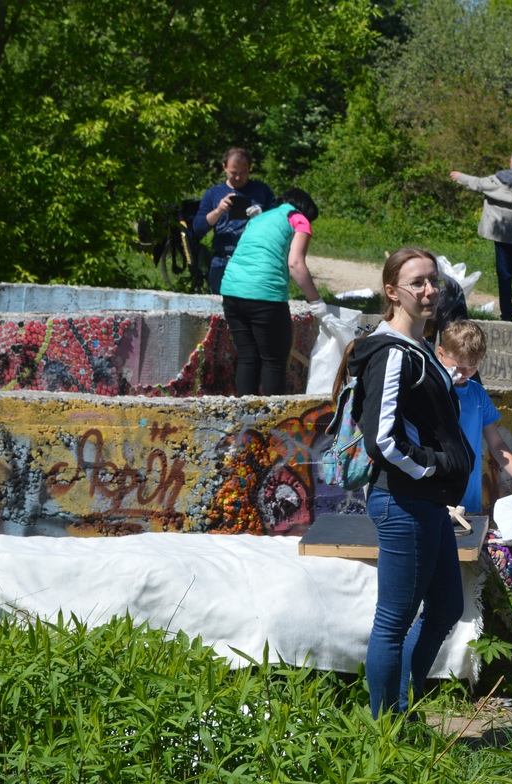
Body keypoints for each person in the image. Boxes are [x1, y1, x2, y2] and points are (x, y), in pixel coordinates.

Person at [334, 247, 475, 718]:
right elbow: (381, 440)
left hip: (428, 502)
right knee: (393, 622)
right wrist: (434, 466)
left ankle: (405, 700)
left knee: (446, 608)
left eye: (433, 280)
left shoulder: (420, 347)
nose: (429, 290)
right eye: (417, 282)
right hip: (403, 500)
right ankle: (386, 726)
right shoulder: (391, 352)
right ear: (392, 292)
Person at [398, 319, 512, 704]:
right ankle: (411, 682)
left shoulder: (477, 395)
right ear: (440, 355)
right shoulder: (428, 390)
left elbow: (497, 445)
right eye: (458, 365)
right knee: (426, 599)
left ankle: (463, 667)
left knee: (463, 592)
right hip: (432, 502)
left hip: (468, 508)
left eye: (472, 366)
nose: (464, 374)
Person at [218, 188, 325, 396]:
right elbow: (295, 264)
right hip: (265, 295)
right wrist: (317, 302)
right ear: (306, 210)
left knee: (248, 356)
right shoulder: (299, 219)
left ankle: (245, 417)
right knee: (274, 360)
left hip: (231, 291)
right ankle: (272, 423)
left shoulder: (260, 217)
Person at [451, 149, 512, 323]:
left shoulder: (500, 179)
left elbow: (478, 183)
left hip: (503, 233)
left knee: (504, 276)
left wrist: (460, 176)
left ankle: (506, 315)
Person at [192, 147, 275, 295]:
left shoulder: (263, 191)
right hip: (222, 260)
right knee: (219, 309)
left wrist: (261, 218)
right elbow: (198, 228)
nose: (238, 178)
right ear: (224, 167)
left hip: (255, 261)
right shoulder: (213, 193)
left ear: (250, 168)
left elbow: (277, 226)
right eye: (233, 173)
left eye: (243, 173)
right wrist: (218, 211)